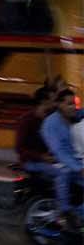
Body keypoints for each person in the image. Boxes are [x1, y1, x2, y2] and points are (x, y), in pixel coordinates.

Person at [40, 87, 83, 223]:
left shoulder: (71, 116)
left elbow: (81, 112)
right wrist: (79, 168)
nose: (73, 107)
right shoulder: (51, 124)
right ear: (59, 104)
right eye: (69, 104)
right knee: (63, 174)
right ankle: (66, 214)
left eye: (74, 104)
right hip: (61, 162)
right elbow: (59, 151)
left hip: (75, 160)